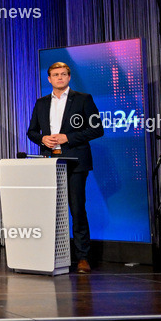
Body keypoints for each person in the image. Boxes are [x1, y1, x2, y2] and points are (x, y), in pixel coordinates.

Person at [26, 61, 104, 273]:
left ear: (69, 77)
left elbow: (97, 130)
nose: (59, 78)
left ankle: (82, 257)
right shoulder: (41, 103)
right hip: (49, 163)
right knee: (49, 210)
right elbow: (31, 131)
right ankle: (48, 255)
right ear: (49, 79)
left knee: (77, 209)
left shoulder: (83, 99)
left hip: (75, 162)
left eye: (63, 74)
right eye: (55, 75)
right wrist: (43, 139)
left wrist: (67, 137)